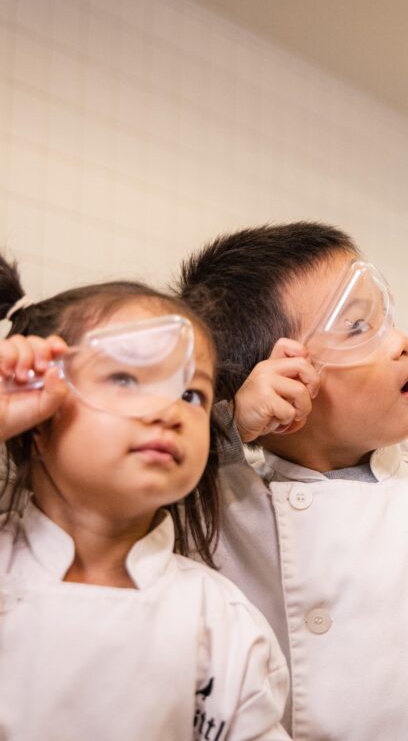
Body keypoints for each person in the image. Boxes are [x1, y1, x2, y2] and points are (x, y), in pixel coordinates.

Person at [176, 222, 408, 741]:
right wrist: (229, 420)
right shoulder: (222, 498)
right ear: (283, 378)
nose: (401, 341)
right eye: (358, 328)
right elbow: (146, 494)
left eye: (387, 319)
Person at [0, 256, 290, 741]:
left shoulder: (221, 621)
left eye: (192, 395)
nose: (168, 411)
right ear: (38, 417)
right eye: (126, 379)